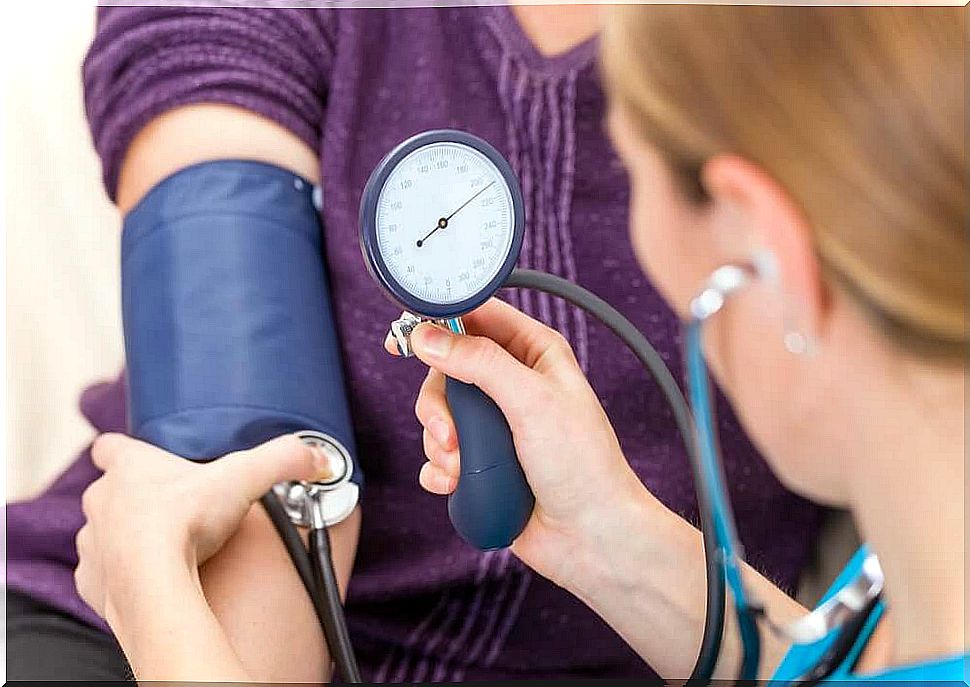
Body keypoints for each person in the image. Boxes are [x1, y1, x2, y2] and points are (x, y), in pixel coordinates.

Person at [6, 5, 826, 682]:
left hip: (664, 646)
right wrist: (166, 615)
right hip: (164, 630)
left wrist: (621, 543)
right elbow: (242, 437)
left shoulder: (857, 48)